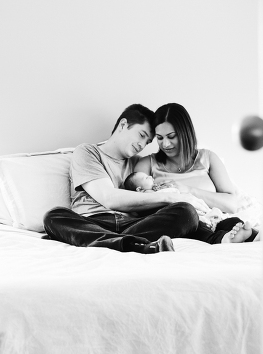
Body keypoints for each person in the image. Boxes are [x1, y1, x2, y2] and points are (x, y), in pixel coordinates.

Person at [43, 103, 201, 254]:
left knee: (186, 213)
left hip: (133, 224)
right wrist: (168, 197)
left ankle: (117, 243)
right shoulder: (88, 152)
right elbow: (108, 198)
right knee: (54, 216)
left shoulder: (139, 163)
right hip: (92, 222)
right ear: (123, 125)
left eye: (147, 142)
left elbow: (149, 201)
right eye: (141, 135)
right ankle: (134, 244)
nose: (142, 144)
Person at [134, 102, 258, 243]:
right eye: (160, 138)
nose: (166, 144)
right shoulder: (147, 164)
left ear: (185, 132)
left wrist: (188, 190)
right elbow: (137, 204)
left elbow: (231, 204)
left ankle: (252, 236)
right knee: (189, 219)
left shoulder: (208, 158)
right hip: (184, 222)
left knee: (234, 222)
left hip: (213, 217)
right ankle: (222, 239)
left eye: (171, 136)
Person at [123, 171, 229, 235]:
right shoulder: (146, 197)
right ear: (140, 189)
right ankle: (214, 225)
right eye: (146, 177)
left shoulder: (155, 189)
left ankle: (227, 225)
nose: (151, 177)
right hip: (183, 214)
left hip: (190, 206)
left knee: (229, 220)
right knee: (196, 218)